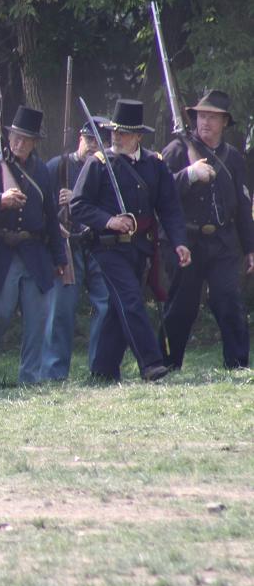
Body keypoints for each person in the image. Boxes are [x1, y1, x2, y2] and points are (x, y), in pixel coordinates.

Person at [71, 99, 190, 381]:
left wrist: (179, 242)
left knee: (118, 308)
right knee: (132, 300)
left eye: (123, 133)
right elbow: (78, 205)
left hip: (140, 247)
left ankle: (103, 370)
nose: (117, 137)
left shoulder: (155, 164)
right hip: (108, 248)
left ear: (138, 136)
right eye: (114, 132)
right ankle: (150, 363)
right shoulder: (98, 163)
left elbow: (169, 208)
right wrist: (109, 221)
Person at [0, 106, 66, 386]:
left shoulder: (41, 171)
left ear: (34, 142)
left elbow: (50, 217)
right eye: (15, 137)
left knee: (37, 318)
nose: (18, 143)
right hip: (0, 250)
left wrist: (59, 257)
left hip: (34, 252)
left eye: (25, 138)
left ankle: (29, 377)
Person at [159, 90, 253, 369]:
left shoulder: (233, 158)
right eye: (202, 116)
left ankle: (237, 364)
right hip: (185, 240)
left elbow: (243, 205)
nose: (206, 122)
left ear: (224, 122)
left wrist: (250, 249)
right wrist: (189, 175)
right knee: (182, 307)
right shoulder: (176, 151)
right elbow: (159, 194)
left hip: (223, 242)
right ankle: (166, 364)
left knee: (228, 301)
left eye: (212, 117)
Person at [42, 117, 112, 380]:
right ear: (80, 138)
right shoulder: (57, 167)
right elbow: (41, 205)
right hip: (67, 245)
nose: (93, 145)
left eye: (100, 142)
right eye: (90, 139)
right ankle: (53, 372)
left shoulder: (107, 169)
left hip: (98, 243)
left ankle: (101, 369)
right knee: (60, 310)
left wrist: (78, 200)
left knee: (104, 307)